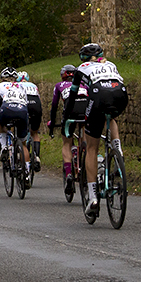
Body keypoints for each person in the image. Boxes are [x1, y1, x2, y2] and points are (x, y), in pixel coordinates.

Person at [62, 43, 128, 217]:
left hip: (99, 95)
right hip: (120, 93)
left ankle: (92, 198)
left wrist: (66, 118)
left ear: (82, 58)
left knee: (91, 148)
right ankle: (117, 149)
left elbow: (73, 96)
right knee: (111, 116)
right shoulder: (110, 64)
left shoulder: (81, 69)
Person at [48, 64, 88, 195]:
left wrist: (53, 123)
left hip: (71, 110)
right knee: (85, 135)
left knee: (67, 142)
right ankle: (85, 154)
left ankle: (69, 172)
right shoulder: (84, 84)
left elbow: (54, 106)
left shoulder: (60, 85)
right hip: (86, 107)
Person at [0, 67, 31, 182]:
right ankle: (27, 172)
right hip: (22, 110)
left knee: (0, 124)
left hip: (7, 108)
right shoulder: (22, 87)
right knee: (23, 144)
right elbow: (26, 102)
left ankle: (4, 146)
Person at [18, 71, 43, 172]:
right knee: (35, 132)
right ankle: (37, 155)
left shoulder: (17, 85)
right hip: (36, 105)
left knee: (21, 131)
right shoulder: (33, 85)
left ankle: (23, 156)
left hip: (25, 104)